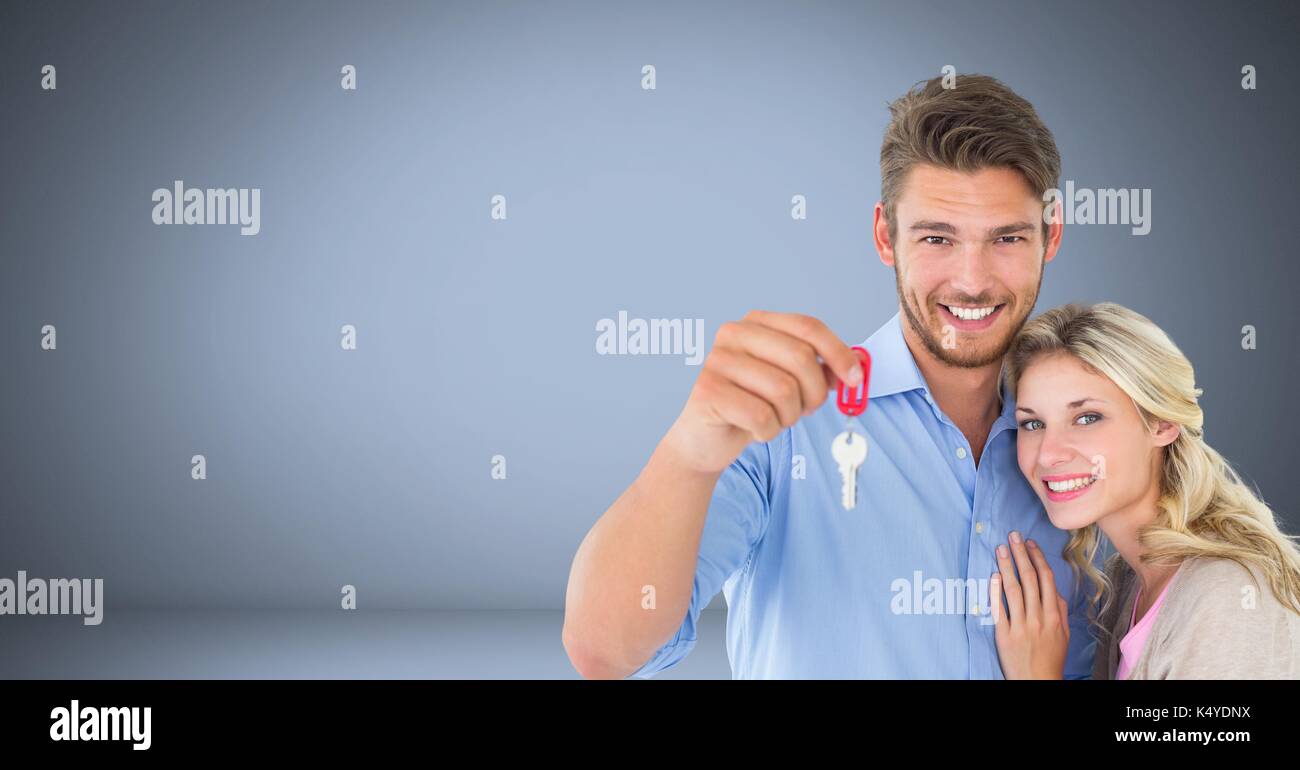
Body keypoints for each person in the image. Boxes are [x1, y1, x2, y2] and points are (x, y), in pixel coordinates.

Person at [562, 73, 1097, 678]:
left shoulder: (1089, 442)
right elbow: (603, 651)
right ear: (884, 236)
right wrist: (687, 451)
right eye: (937, 238)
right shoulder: (783, 421)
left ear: (1049, 237)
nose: (972, 280)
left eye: (1006, 237)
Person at [990, 302, 1300, 679]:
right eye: (1033, 423)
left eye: (1087, 418)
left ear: (1162, 423)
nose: (1049, 454)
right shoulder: (1128, 581)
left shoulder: (1227, 596)